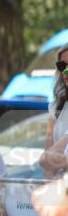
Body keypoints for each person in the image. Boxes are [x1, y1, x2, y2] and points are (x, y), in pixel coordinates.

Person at [40, 45, 68, 178]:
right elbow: (46, 161)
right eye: (63, 66)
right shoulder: (56, 106)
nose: (66, 71)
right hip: (60, 191)